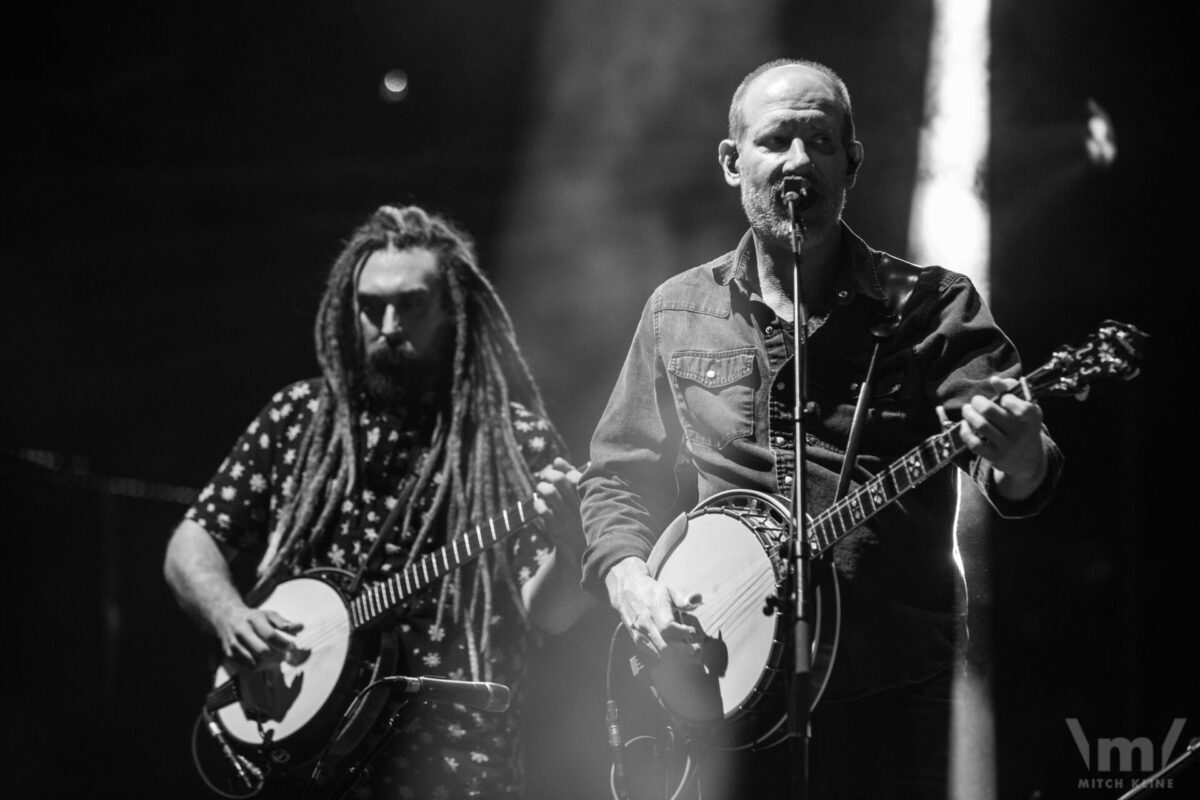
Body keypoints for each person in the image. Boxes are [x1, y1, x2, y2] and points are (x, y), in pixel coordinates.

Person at [578, 59, 1063, 799]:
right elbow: (619, 477)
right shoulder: (678, 312)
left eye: (821, 142)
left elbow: (1017, 476)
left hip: (892, 693)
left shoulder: (933, 309)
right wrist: (629, 582)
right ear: (732, 160)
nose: (799, 161)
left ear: (852, 163)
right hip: (727, 689)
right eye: (776, 140)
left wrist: (1023, 454)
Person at [164, 204, 593, 799]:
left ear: (453, 312)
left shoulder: (511, 440)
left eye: (411, 304)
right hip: (304, 766)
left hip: (452, 765)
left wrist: (572, 555)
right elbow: (193, 540)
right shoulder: (299, 419)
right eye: (370, 307)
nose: (388, 323)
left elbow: (550, 613)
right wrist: (230, 615)